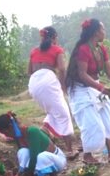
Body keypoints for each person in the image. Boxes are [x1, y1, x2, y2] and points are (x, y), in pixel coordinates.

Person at [66, 19, 110, 165]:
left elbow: (109, 69)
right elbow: (82, 74)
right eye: (103, 29)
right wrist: (101, 88)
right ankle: (87, 156)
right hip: (80, 89)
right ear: (95, 32)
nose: (104, 32)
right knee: (92, 124)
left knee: (107, 118)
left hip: (95, 86)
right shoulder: (83, 49)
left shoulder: (101, 49)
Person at [28, 26, 78, 160]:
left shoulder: (33, 51)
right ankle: (70, 150)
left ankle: (43, 133)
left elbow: (30, 71)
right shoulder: (57, 49)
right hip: (47, 81)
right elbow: (62, 69)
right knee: (63, 114)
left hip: (33, 84)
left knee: (52, 112)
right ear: (54, 37)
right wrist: (63, 85)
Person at [0, 113, 66, 176]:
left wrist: (24, 175)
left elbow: (34, 157)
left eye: (6, 133)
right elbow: (26, 158)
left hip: (57, 160)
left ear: (11, 127)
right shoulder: (17, 136)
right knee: (22, 152)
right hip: (41, 160)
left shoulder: (32, 131)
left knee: (40, 156)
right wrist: (19, 175)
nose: (6, 136)